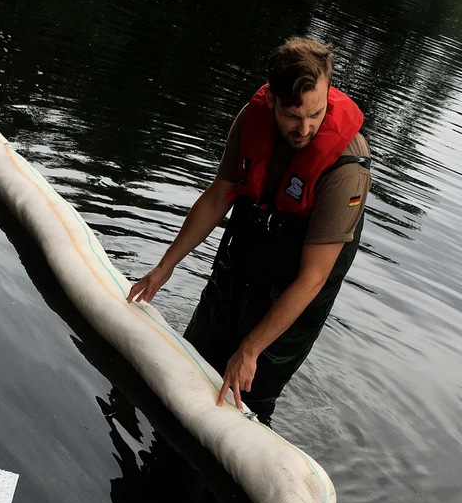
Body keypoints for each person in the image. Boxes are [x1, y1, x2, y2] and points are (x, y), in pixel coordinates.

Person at [127, 37, 371, 424]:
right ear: (273, 98)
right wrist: (166, 265)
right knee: (195, 358)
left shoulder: (346, 170)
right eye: (292, 115)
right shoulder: (252, 119)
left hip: (303, 269)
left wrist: (252, 348)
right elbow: (217, 197)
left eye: (316, 113)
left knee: (247, 392)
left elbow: (313, 278)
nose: (305, 128)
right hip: (250, 240)